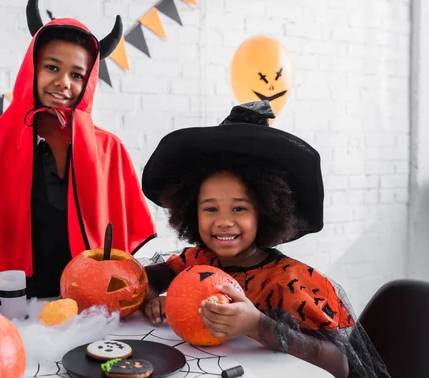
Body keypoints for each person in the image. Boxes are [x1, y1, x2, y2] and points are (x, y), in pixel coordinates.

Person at [140, 101, 389, 378]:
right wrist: (166, 300)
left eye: (239, 208)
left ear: (265, 213)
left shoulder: (291, 282)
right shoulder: (198, 261)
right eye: (210, 209)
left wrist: (257, 325)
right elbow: (142, 282)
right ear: (191, 212)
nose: (223, 221)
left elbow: (339, 365)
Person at [0, 0, 157, 299]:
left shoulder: (110, 149)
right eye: (52, 68)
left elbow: (124, 240)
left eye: (77, 74)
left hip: (95, 300)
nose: (63, 82)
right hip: (21, 298)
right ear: (32, 69)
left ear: (89, 82)